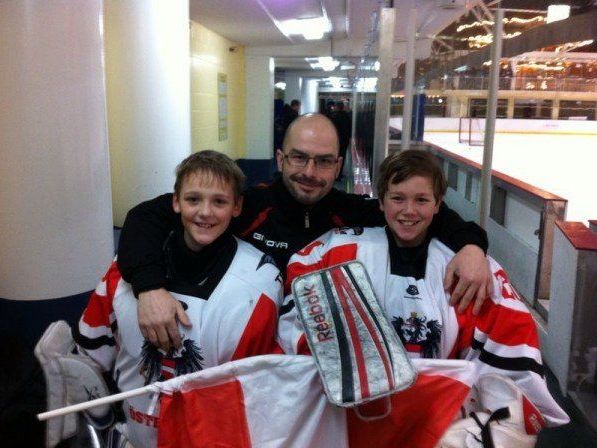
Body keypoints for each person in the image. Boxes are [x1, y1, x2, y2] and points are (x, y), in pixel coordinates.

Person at [117, 114, 492, 350]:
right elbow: (145, 218)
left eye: (324, 161)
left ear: (338, 165)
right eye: (299, 157)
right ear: (280, 158)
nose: (310, 171)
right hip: (242, 350)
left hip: (314, 357)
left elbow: (417, 211)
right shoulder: (241, 204)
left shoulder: (354, 213)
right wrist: (149, 287)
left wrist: (472, 246)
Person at [277, 149, 568, 445]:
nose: (409, 211)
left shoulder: (471, 269)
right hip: (356, 422)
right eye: (397, 198)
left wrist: (483, 421)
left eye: (421, 200)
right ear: (380, 201)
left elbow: (509, 365)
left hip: (439, 424)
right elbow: (300, 321)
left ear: (439, 203)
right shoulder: (334, 252)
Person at [74, 151, 282, 446]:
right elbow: (89, 359)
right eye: (193, 199)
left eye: (219, 201)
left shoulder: (259, 285)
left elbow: (257, 393)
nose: (205, 212)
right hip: (133, 435)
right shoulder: (124, 270)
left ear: (237, 207)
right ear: (175, 202)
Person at [329, 101, 352, 176]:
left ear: (337, 107)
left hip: (335, 140)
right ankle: (339, 173)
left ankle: (333, 172)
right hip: (344, 141)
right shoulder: (347, 116)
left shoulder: (333, 116)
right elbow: (349, 128)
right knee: (342, 156)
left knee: (334, 156)